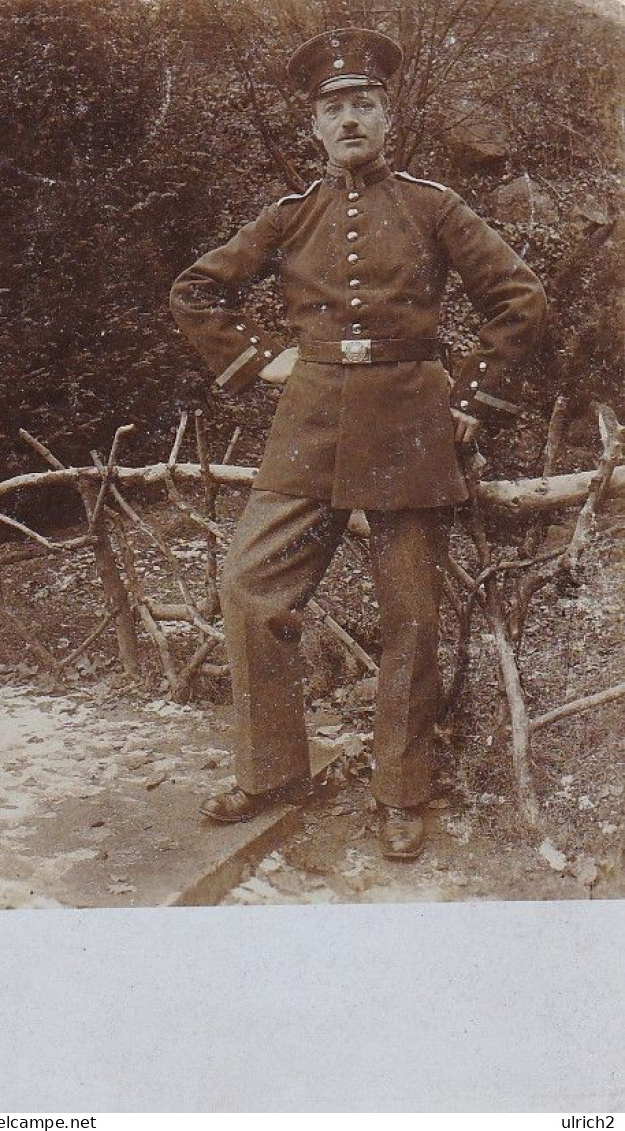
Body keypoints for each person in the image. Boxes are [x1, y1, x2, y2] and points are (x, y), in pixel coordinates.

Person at [169, 27, 547, 859]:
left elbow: (519, 297)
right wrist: (257, 361)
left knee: (409, 616)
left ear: (387, 115)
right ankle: (275, 773)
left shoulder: (432, 205)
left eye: (363, 105)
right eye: (333, 108)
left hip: (411, 425)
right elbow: (196, 289)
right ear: (314, 125)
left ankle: (401, 790)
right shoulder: (289, 215)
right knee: (250, 585)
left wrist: (475, 400)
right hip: (308, 424)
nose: (349, 120)